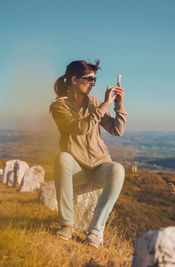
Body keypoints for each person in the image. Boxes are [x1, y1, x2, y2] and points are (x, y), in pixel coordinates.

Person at [49, 60, 126, 247]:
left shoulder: (94, 103)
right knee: (62, 158)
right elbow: (79, 128)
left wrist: (117, 104)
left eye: (94, 79)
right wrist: (104, 105)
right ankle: (67, 225)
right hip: (77, 170)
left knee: (118, 170)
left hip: (99, 166)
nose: (93, 83)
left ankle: (95, 231)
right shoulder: (59, 106)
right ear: (74, 80)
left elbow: (117, 130)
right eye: (89, 79)